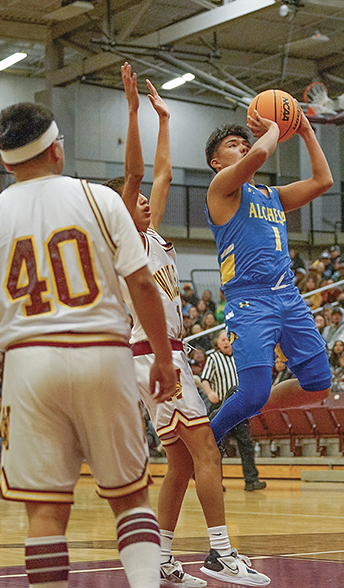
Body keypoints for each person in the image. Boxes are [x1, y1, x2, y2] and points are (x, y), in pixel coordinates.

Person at [0, 101, 177, 588]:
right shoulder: (100, 199)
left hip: (29, 365)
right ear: (56, 150)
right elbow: (141, 284)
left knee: (46, 512)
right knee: (130, 499)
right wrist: (160, 354)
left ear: (6, 163)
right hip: (104, 352)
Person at [112, 65, 267, 587]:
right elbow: (139, 176)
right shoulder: (121, 243)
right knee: (205, 450)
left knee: (180, 463)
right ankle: (221, 554)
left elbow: (160, 176)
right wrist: (134, 114)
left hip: (157, 356)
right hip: (153, 355)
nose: (144, 203)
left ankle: (160, 561)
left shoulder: (151, 237)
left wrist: (164, 121)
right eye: (132, 202)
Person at [204, 104, 333, 445]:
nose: (243, 147)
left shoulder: (272, 196)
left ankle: (252, 403)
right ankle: (207, 440)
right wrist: (275, 128)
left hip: (287, 295)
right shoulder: (221, 188)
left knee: (318, 384)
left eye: (244, 144)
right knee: (251, 394)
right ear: (216, 163)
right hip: (250, 299)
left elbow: (324, 180)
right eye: (233, 145)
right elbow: (261, 152)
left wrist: (305, 131)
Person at [201, 331, 268, 493]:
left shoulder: (241, 357)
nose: (226, 342)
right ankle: (215, 482)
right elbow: (205, 380)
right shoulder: (213, 358)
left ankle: (251, 480)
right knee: (217, 447)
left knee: (246, 445)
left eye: (228, 339)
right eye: (223, 340)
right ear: (218, 343)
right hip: (221, 409)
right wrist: (210, 393)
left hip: (240, 410)